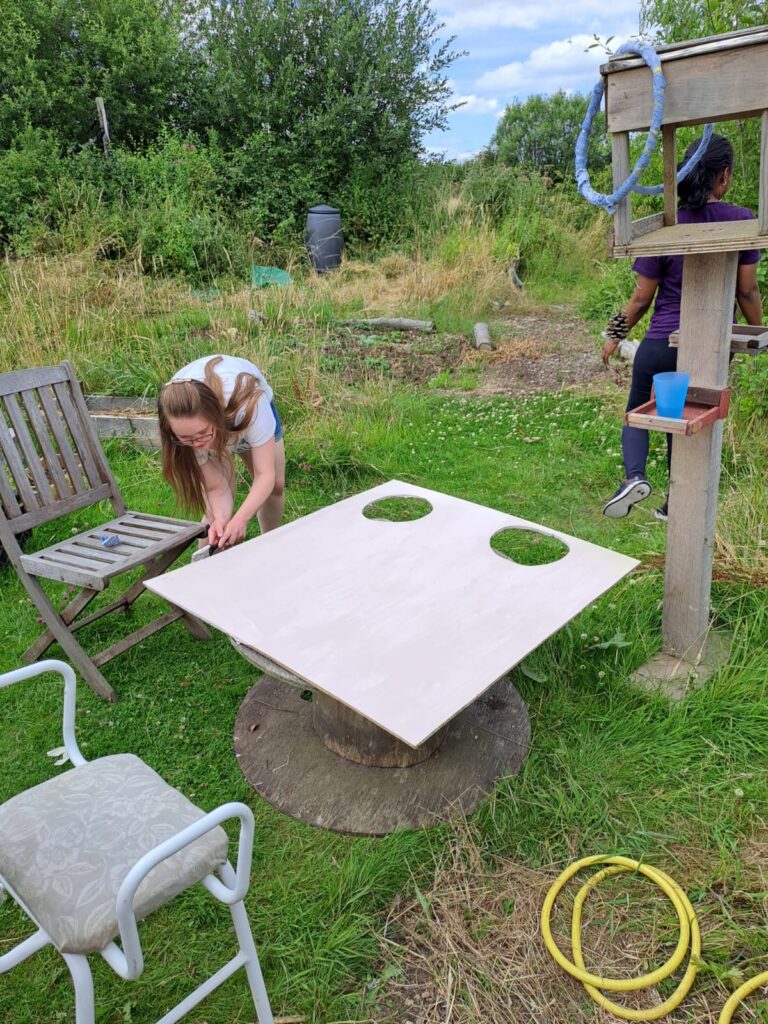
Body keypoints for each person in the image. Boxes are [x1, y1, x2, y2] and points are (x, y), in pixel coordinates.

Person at [601, 132, 763, 521]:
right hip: (708, 346)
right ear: (723, 176)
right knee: (687, 418)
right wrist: (759, 332)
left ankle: (633, 477)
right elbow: (747, 291)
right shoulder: (742, 221)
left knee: (637, 410)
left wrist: (614, 334)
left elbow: (640, 299)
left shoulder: (666, 226)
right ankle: (676, 504)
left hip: (659, 344)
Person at [157, 354, 285, 549]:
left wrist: (240, 520)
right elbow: (216, 487)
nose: (197, 443)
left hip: (242, 414)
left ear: (214, 417)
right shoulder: (179, 429)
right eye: (187, 438)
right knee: (214, 516)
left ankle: (269, 544)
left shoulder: (251, 407)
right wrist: (222, 518)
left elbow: (264, 474)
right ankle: (203, 568)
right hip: (212, 424)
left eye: (202, 433)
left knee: (275, 485)